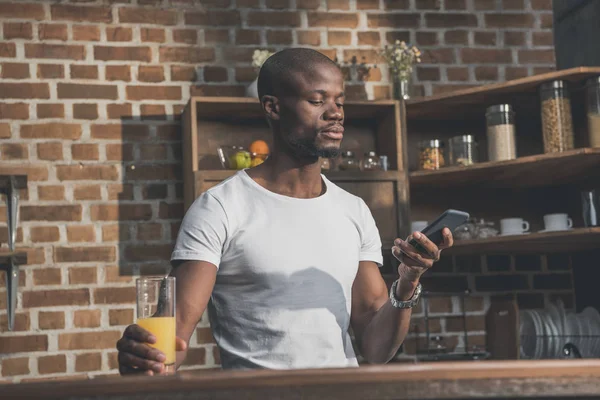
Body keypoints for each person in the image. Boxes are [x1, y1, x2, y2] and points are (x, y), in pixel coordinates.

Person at [116, 48, 453, 375]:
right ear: (273, 107)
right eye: (318, 100)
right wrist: (142, 359)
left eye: (340, 101)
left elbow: (377, 349)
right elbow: (167, 346)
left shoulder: (354, 210)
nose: (335, 112)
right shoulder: (220, 207)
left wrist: (408, 281)